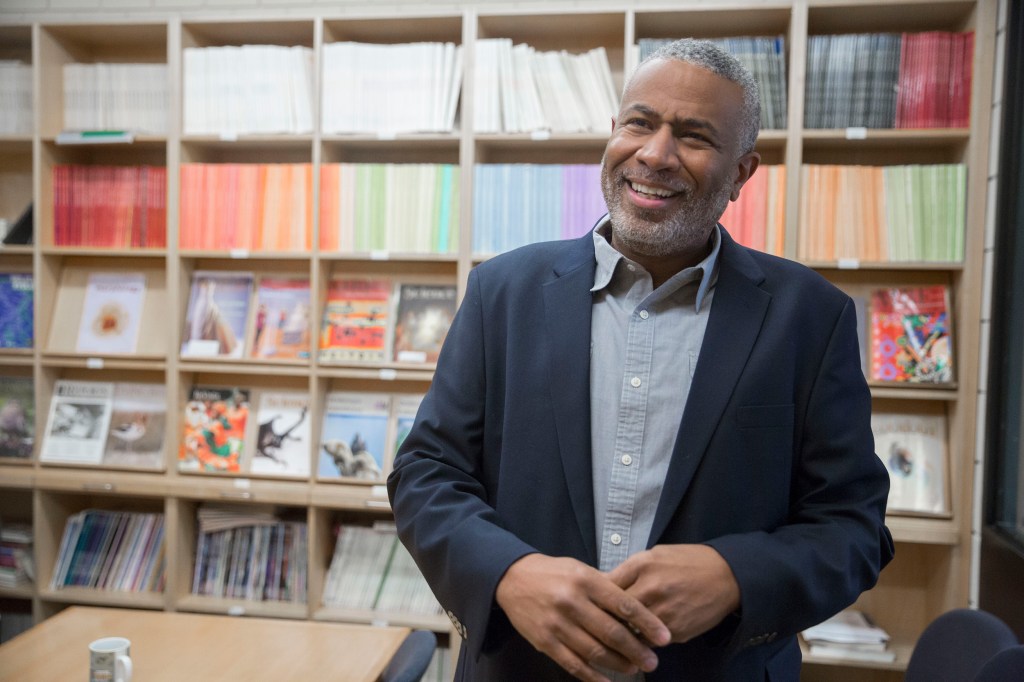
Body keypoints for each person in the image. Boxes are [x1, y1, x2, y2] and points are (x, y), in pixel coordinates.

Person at [387, 38, 894, 681]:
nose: (655, 154)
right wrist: (508, 572)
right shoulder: (502, 292)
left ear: (741, 173)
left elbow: (853, 527)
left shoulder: (810, 318)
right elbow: (425, 474)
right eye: (640, 122)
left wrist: (736, 575)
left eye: (694, 135)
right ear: (613, 133)